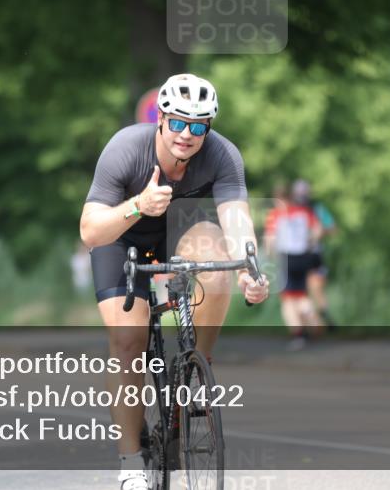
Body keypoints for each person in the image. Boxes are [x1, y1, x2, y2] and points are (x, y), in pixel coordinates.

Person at [80, 73, 269, 490]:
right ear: (161, 118)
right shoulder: (125, 149)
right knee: (128, 341)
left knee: (217, 260)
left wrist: (249, 272)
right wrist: (138, 204)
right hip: (121, 237)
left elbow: (236, 219)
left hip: (179, 232)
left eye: (198, 126)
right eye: (179, 122)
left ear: (209, 129)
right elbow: (91, 231)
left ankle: (194, 373)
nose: (187, 134)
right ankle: (131, 461)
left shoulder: (222, 156)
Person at [264, 184, 323, 350]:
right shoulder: (304, 212)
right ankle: (312, 318)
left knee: (288, 300)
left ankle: (298, 335)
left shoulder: (276, 215)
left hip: (287, 258)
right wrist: (310, 243)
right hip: (303, 256)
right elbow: (317, 230)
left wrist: (269, 256)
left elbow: (270, 238)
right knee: (301, 294)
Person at [291, 179, 338, 328]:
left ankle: (321, 315)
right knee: (302, 294)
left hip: (313, 255)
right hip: (296, 257)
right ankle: (314, 323)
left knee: (314, 288)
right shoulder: (290, 211)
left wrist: (317, 233)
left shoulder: (317, 209)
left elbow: (332, 229)